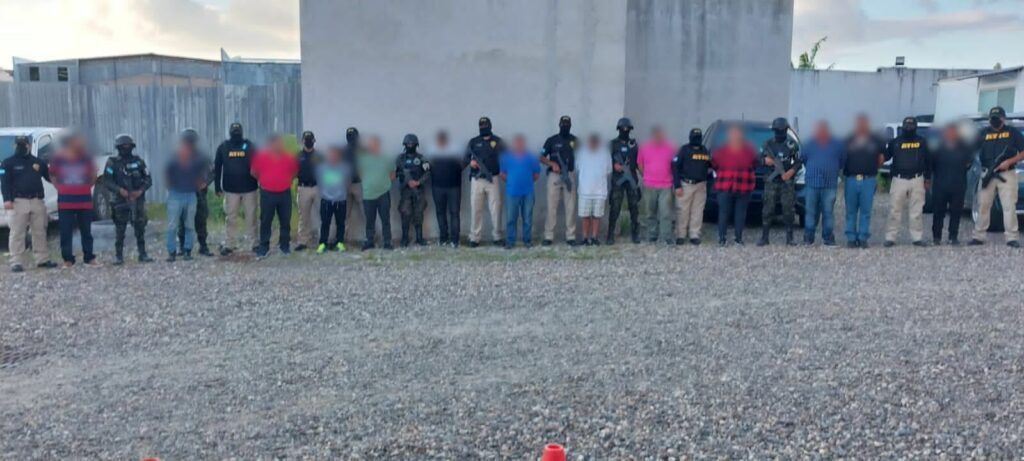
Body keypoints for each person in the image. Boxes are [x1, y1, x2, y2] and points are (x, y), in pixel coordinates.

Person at [970, 106, 1024, 247]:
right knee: (983, 205)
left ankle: (1012, 238)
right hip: (987, 173)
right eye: (992, 118)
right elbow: (971, 150)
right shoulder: (983, 133)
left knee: (1009, 206)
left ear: (1003, 118)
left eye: (997, 118)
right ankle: (978, 236)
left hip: (1007, 173)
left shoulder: (1012, 132)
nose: (994, 121)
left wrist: (1009, 162)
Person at [1, 135, 56, 272]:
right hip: (18, 202)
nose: (21, 147)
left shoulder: (38, 162)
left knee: (40, 231)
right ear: (14, 146)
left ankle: (42, 259)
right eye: (19, 144)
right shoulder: (7, 163)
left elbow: (50, 177)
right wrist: (7, 200)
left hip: (37, 201)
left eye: (24, 144)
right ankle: (16, 261)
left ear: (29, 146)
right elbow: (4, 183)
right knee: (17, 233)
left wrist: (63, 183)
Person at [102, 134, 153, 265]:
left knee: (140, 227)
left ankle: (142, 253)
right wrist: (120, 190)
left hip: (137, 199)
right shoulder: (112, 163)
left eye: (128, 145)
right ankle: (119, 256)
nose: (126, 148)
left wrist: (140, 191)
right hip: (120, 200)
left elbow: (148, 179)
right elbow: (107, 181)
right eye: (123, 146)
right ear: (118, 147)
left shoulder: (138, 162)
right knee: (120, 229)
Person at [48, 132, 98, 267]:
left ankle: (89, 257)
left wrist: (87, 186)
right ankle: (68, 259)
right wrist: (59, 187)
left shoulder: (86, 157)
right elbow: (52, 174)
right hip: (66, 202)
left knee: (86, 231)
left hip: (84, 201)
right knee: (66, 232)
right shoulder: (59, 158)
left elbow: (94, 174)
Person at [884, 117, 931, 247]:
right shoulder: (895, 142)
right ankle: (890, 237)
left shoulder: (922, 142)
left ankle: (917, 238)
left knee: (917, 210)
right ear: (903, 127)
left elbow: (929, 161)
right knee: (894, 210)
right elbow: (886, 156)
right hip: (899, 179)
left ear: (915, 127)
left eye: (911, 126)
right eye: (907, 126)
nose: (909, 128)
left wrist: (927, 178)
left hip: (917, 179)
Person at [164, 131, 211, 262]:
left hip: (194, 194)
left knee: (194, 223)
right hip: (177, 195)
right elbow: (168, 177)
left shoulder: (200, 158)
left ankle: (193, 249)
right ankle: (174, 251)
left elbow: (210, 172)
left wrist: (204, 182)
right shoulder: (174, 157)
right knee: (174, 225)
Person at [842, 114, 886, 249]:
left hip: (868, 180)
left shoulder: (876, 140)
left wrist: (872, 169)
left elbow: (881, 158)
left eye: (864, 123)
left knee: (866, 211)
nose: (862, 126)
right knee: (851, 211)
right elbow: (842, 157)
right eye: (859, 123)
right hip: (851, 179)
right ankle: (851, 238)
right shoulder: (848, 139)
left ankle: (863, 238)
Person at [214, 122, 259, 255]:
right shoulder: (223, 147)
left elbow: (258, 165)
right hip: (231, 190)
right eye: (234, 132)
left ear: (241, 132)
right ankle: (230, 244)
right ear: (230, 133)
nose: (236, 134)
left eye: (238, 131)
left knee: (251, 217)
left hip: (249, 189)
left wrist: (261, 182)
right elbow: (217, 168)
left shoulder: (249, 146)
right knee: (231, 217)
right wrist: (217, 187)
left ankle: (254, 243)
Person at [251, 134, 299, 257]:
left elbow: (294, 172)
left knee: (285, 221)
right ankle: (264, 247)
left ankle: (284, 246)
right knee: (266, 221)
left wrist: (286, 180)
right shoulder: (261, 157)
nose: (280, 145)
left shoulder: (288, 157)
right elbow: (254, 172)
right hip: (267, 193)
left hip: (284, 193)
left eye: (281, 143)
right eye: (277, 143)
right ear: (271, 144)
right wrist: (264, 180)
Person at [711, 125, 757, 246]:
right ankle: (722, 238)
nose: (735, 136)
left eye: (738, 134)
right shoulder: (721, 151)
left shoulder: (749, 151)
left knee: (740, 214)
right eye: (733, 134)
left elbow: (754, 164)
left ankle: (738, 238)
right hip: (725, 186)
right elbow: (714, 164)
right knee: (723, 213)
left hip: (744, 187)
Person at [758, 117, 802, 246]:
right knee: (768, 209)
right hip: (771, 180)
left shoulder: (792, 145)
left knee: (788, 209)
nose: (780, 133)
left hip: (786, 181)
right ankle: (764, 237)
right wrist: (765, 161)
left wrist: (790, 172)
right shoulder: (767, 144)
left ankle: (790, 238)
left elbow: (798, 162)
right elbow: (758, 159)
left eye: (782, 130)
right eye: (778, 130)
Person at [801, 121, 844, 246]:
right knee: (810, 212)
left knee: (828, 212)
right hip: (812, 184)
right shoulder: (809, 144)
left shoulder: (837, 145)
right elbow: (804, 159)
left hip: (829, 184)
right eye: (819, 129)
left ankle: (828, 238)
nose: (822, 132)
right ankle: (808, 238)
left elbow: (842, 161)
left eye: (824, 129)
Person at [929, 124, 974, 246]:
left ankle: (953, 236)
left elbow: (969, 162)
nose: (951, 134)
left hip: (958, 185)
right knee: (938, 212)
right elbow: (931, 164)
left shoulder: (964, 147)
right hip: (940, 185)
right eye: (949, 132)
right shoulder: (937, 147)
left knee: (956, 212)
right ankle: (936, 237)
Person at [465, 116, 505, 247]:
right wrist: (471, 163)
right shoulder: (473, 142)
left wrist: (505, 173)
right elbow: (465, 159)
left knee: (496, 209)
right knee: (476, 209)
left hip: (493, 178)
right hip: (477, 179)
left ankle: (497, 236)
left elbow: (507, 158)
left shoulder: (498, 141)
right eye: (481, 127)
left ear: (490, 126)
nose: (483, 129)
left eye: (485, 126)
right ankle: (474, 237)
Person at [540, 115, 578, 246]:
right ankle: (548, 236)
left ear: (570, 126)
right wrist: (552, 164)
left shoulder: (575, 140)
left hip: (569, 175)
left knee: (571, 207)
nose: (565, 127)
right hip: (554, 176)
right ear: (559, 125)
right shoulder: (551, 140)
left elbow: (583, 156)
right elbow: (541, 157)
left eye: (567, 125)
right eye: (563, 125)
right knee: (551, 206)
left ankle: (571, 236)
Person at [176, 128, 214, 257]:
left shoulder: (202, 156)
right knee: (183, 221)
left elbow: (212, 172)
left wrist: (205, 183)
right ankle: (183, 247)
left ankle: (203, 246)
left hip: (199, 194)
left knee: (201, 220)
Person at [500, 134, 541, 249]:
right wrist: (511, 181)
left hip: (528, 192)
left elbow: (536, 174)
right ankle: (510, 241)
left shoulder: (531, 157)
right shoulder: (506, 157)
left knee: (527, 218)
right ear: (513, 144)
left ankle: (527, 240)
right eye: (517, 143)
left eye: (521, 143)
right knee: (511, 219)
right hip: (512, 192)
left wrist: (526, 182)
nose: (519, 145)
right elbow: (502, 174)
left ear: (524, 144)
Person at [637, 126, 676, 244]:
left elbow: (675, 165)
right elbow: (640, 164)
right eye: (657, 134)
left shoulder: (671, 148)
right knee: (650, 212)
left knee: (666, 212)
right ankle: (652, 234)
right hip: (649, 184)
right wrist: (646, 175)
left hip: (666, 185)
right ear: (653, 135)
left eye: (661, 134)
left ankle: (666, 236)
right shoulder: (644, 147)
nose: (660, 136)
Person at [672, 128, 711, 245]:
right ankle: (680, 235)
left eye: (698, 137)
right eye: (695, 137)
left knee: (698, 211)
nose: (696, 139)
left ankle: (694, 234)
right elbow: (675, 167)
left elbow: (710, 165)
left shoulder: (704, 150)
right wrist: (677, 185)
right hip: (686, 185)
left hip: (701, 185)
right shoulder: (684, 150)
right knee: (682, 211)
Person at [357, 135, 396, 251]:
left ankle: (387, 242)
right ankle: (369, 241)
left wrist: (383, 183)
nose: (373, 146)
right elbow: (360, 173)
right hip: (368, 194)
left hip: (383, 193)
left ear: (379, 145)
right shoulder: (363, 159)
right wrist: (369, 182)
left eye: (375, 144)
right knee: (370, 220)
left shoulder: (386, 159)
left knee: (385, 219)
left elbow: (392, 174)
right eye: (371, 144)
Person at [607, 118, 641, 245]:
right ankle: (611, 234)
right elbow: (606, 161)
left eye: (627, 129)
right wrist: (613, 165)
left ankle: (635, 233)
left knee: (634, 207)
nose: (625, 131)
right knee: (615, 206)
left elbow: (638, 162)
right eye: (623, 129)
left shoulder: (634, 144)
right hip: (618, 179)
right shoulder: (612, 144)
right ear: (619, 129)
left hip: (631, 177)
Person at [576, 133, 612, 246]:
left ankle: (594, 237)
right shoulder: (581, 152)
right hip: (585, 190)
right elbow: (577, 167)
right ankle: (585, 238)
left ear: (598, 142)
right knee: (585, 216)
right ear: (588, 142)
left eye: (595, 142)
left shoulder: (605, 153)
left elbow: (608, 170)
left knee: (597, 216)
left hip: (600, 191)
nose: (593, 144)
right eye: (591, 142)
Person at [429, 130, 464, 247]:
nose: (441, 142)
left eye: (442, 140)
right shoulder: (432, 150)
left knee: (454, 213)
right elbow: (429, 167)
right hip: (437, 187)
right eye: (439, 140)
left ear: (446, 140)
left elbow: (462, 165)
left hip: (454, 187)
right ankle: (443, 238)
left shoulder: (455, 150)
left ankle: (455, 240)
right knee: (440, 213)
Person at [315, 146, 353, 253]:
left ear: (339, 156)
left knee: (340, 223)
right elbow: (319, 182)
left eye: (335, 155)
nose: (333, 157)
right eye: (331, 155)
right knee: (325, 223)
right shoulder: (321, 168)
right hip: (326, 201)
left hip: (340, 201)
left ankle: (340, 243)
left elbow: (348, 182)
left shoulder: (345, 168)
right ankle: (322, 243)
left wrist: (341, 193)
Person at [396, 134, 431, 246]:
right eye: (408, 143)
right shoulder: (400, 159)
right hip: (406, 191)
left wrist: (418, 182)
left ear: (416, 145)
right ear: (405, 145)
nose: (410, 145)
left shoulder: (421, 158)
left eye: (412, 144)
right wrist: (407, 181)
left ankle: (419, 238)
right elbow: (395, 172)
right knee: (405, 213)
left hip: (418, 190)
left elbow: (427, 172)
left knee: (418, 214)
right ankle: (404, 238)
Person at [294, 131, 321, 252]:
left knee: (322, 215)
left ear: (314, 141)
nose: (309, 142)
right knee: (303, 217)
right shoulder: (298, 156)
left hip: (318, 188)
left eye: (310, 139)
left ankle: (323, 240)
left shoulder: (319, 156)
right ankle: (303, 241)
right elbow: (293, 172)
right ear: (303, 141)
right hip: (303, 188)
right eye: (307, 140)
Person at [343, 127, 364, 244]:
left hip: (358, 184)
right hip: (345, 185)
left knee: (365, 213)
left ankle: (369, 237)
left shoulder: (362, 150)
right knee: (344, 214)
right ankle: (342, 239)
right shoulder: (343, 151)